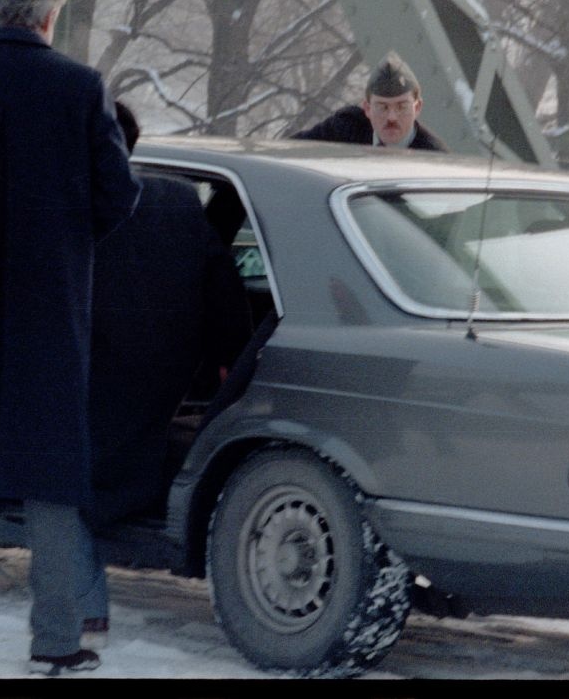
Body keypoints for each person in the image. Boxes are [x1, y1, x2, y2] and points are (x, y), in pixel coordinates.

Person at [0, 0, 141, 676]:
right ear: (48, 19)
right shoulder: (80, 87)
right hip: (49, 309)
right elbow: (120, 195)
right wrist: (67, 238)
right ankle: (53, 641)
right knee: (50, 476)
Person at [75, 102, 254, 646]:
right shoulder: (180, 201)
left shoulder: (77, 204)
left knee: (65, 499)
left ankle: (83, 613)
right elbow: (224, 302)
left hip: (91, 380)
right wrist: (229, 367)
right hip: (166, 380)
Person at [292, 51, 450, 151]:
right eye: (382, 107)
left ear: (417, 108)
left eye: (402, 107)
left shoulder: (433, 158)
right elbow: (288, 152)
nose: (392, 118)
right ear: (367, 109)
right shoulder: (345, 130)